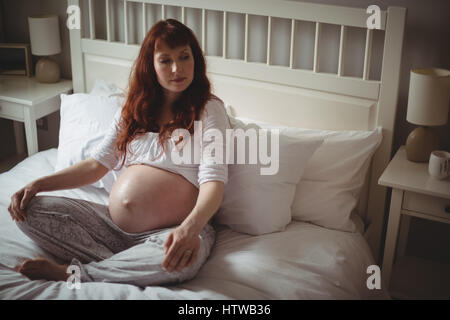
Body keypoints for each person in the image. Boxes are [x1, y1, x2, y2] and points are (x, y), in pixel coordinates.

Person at [7, 19, 231, 287]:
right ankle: (120, 263)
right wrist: (37, 184)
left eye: (185, 57)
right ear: (151, 65)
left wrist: (190, 230)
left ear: (196, 59)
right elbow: (95, 166)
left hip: (176, 230)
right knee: (26, 211)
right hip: (110, 229)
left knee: (182, 263)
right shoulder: (135, 109)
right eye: (165, 60)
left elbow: (213, 183)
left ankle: (79, 273)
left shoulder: (209, 110)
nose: (177, 69)